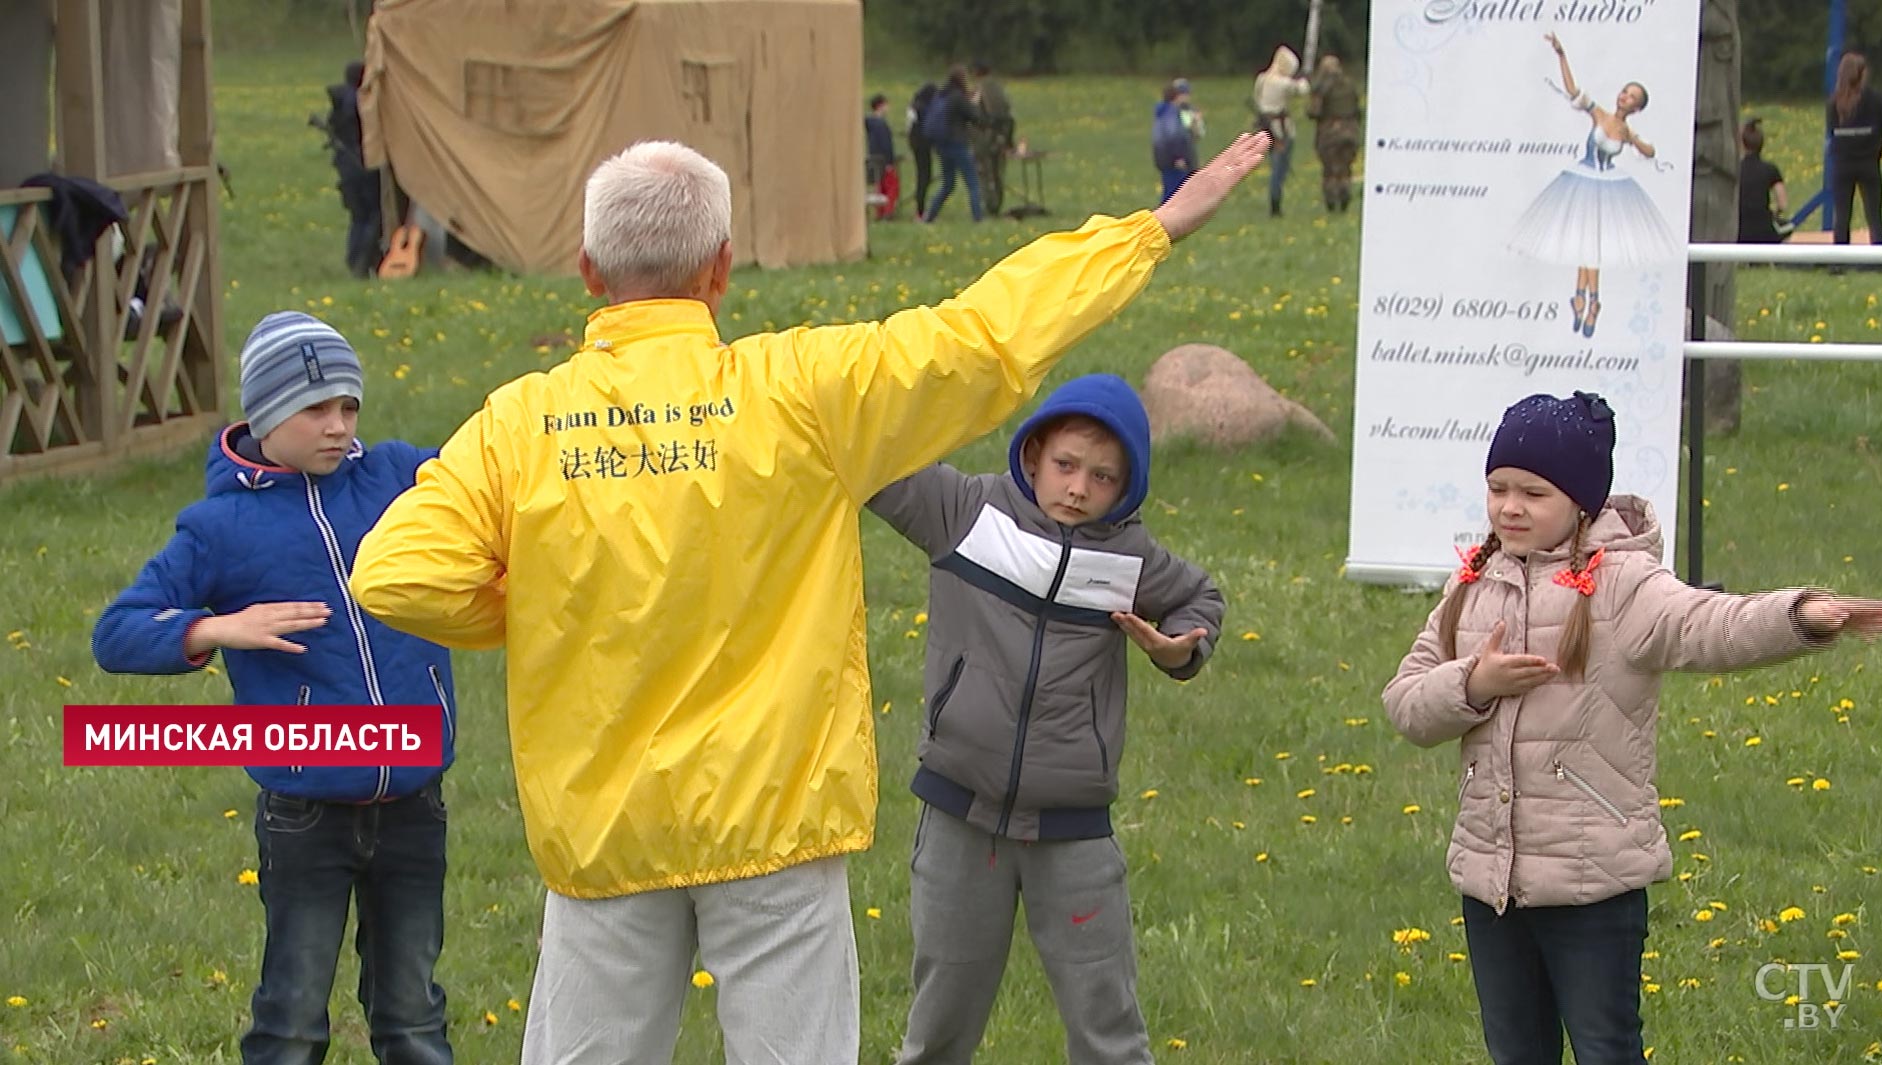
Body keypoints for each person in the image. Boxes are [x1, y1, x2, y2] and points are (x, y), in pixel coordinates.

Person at [347, 133, 1272, 1065]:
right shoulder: (801, 390)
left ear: (588, 269)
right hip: (775, 820)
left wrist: (543, 600)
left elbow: (394, 572)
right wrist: (1147, 232)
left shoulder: (521, 423)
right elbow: (984, 335)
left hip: (604, 829)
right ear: (722, 269)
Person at [1383, 391, 1882, 1065]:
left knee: (1606, 1049)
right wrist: (1474, 684)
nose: (1510, 506)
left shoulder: (1626, 585)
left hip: (1594, 885)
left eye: (1533, 492)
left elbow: (1710, 624)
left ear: (1582, 501)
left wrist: (1800, 615)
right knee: (1515, 1050)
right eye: (1498, 487)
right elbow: (1406, 703)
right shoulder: (1472, 585)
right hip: (1491, 883)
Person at [91, 311, 458, 1065]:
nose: (337, 425)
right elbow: (116, 631)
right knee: (291, 1018)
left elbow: (498, 473)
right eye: (315, 408)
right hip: (304, 816)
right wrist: (218, 628)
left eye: (348, 406)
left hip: (416, 805)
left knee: (414, 1015)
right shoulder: (218, 528)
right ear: (264, 413)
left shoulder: (396, 476)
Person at [869, 374, 1224, 1065]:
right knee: (939, 1026)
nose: (1078, 487)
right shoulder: (965, 513)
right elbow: (874, 464)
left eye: (1103, 476)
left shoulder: (1129, 558)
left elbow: (1199, 598)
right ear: (1032, 454)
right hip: (957, 817)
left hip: (1074, 832)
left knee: (1109, 1030)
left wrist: (1182, 646)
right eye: (1065, 464)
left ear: (1126, 487)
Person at [1508, 33, 1674, 339]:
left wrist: (1632, 136)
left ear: (1636, 108)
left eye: (1631, 98)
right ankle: (1587, 300)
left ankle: (1586, 299)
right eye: (1625, 92)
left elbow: (1650, 152)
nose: (1624, 98)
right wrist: (1561, 54)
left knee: (1591, 246)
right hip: (1583, 180)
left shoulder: (1625, 131)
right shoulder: (1600, 114)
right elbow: (1573, 90)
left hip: (1606, 186)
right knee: (1586, 245)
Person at [323, 61, 383, 278]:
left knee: (358, 217)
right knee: (373, 215)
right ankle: (363, 261)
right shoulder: (361, 103)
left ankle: (354, 259)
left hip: (346, 167)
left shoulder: (339, 104)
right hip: (363, 166)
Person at [1828, 51, 1882, 247]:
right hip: (1868, 163)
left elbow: (1832, 133)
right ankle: (1879, 256)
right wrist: (1873, 153)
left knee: (1842, 215)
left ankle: (1838, 259)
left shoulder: (1834, 103)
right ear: (1862, 74)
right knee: (1874, 215)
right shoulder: (1878, 100)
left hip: (1842, 164)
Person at [923, 66, 986, 223]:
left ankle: (930, 216)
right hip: (957, 144)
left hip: (941, 144)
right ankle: (978, 218)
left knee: (948, 184)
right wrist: (975, 102)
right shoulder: (958, 97)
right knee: (973, 182)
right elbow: (975, 116)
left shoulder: (941, 95)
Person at [1252, 45, 1309, 217]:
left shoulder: (1262, 78)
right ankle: (1275, 204)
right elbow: (1302, 90)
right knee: (1279, 168)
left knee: (1277, 166)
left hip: (1265, 125)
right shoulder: (1282, 83)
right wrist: (1305, 78)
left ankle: (1275, 201)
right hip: (1279, 130)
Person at [1307, 55, 1361, 214]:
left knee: (1330, 170)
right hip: (1350, 130)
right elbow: (1357, 109)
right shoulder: (1350, 85)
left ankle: (1331, 204)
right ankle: (1345, 199)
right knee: (1345, 168)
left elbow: (1314, 112)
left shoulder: (1322, 88)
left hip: (1329, 132)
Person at [1736, 118, 1791, 244]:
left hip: (1739, 230)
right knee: (1788, 226)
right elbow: (1783, 204)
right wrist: (1775, 214)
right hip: (1764, 230)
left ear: (1742, 144)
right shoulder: (1770, 169)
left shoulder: (1735, 170)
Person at [971, 62, 1015, 215]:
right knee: (997, 173)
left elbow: (975, 113)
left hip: (985, 137)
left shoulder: (980, 89)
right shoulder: (998, 88)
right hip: (1001, 135)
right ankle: (997, 203)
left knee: (983, 172)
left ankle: (989, 206)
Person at [1151, 83, 1197, 205]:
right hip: (1174, 161)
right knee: (1175, 196)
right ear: (1176, 97)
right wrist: (1179, 157)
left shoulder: (1162, 113)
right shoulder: (1170, 113)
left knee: (1171, 192)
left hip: (1164, 159)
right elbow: (1173, 136)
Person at [908, 81, 939, 220]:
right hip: (924, 145)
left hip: (915, 143)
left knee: (923, 176)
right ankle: (920, 210)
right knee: (924, 176)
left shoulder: (914, 106)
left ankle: (920, 209)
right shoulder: (926, 108)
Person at [866, 93, 900, 221]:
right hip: (884, 161)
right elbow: (886, 145)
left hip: (874, 160)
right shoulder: (881, 125)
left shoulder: (871, 124)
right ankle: (888, 211)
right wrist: (890, 162)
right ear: (880, 106)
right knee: (892, 187)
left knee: (880, 187)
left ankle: (879, 212)